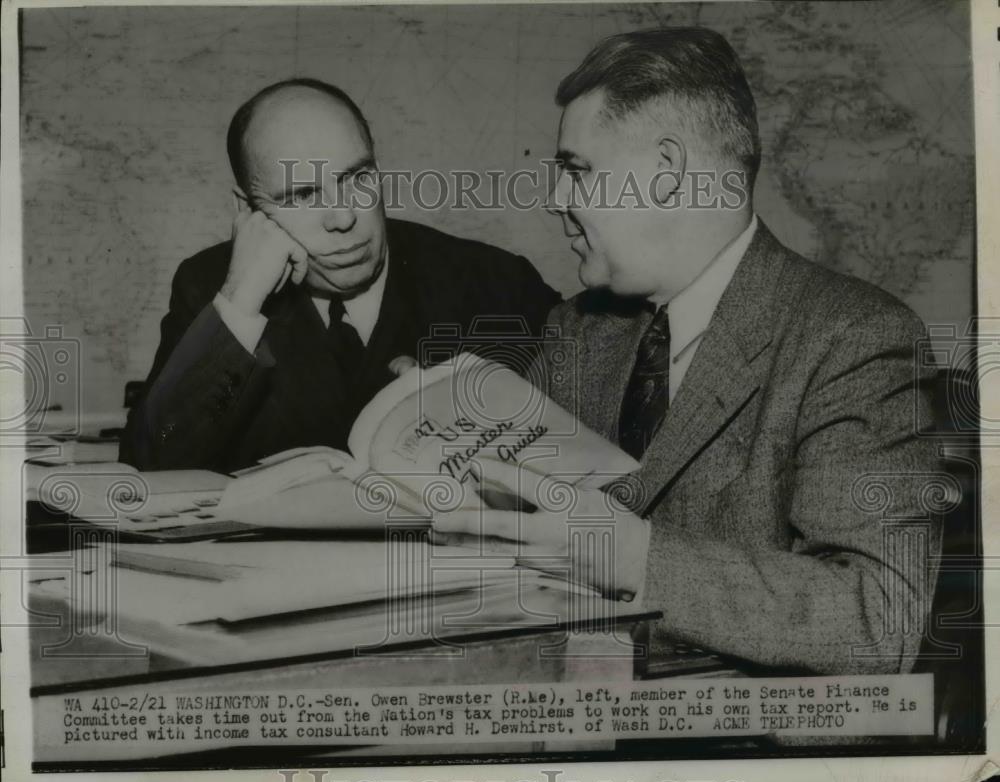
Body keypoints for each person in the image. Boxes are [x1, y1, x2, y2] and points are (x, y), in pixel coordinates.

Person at [433, 28, 943, 675]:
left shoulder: (856, 338)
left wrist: (634, 558)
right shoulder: (578, 330)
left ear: (668, 173)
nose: (557, 200)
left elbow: (877, 620)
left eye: (576, 171)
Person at [121, 78, 559, 472]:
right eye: (303, 194)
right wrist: (238, 304)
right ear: (248, 211)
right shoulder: (210, 286)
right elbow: (149, 469)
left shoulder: (496, 283)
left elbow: (592, 457)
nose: (344, 217)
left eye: (358, 178)